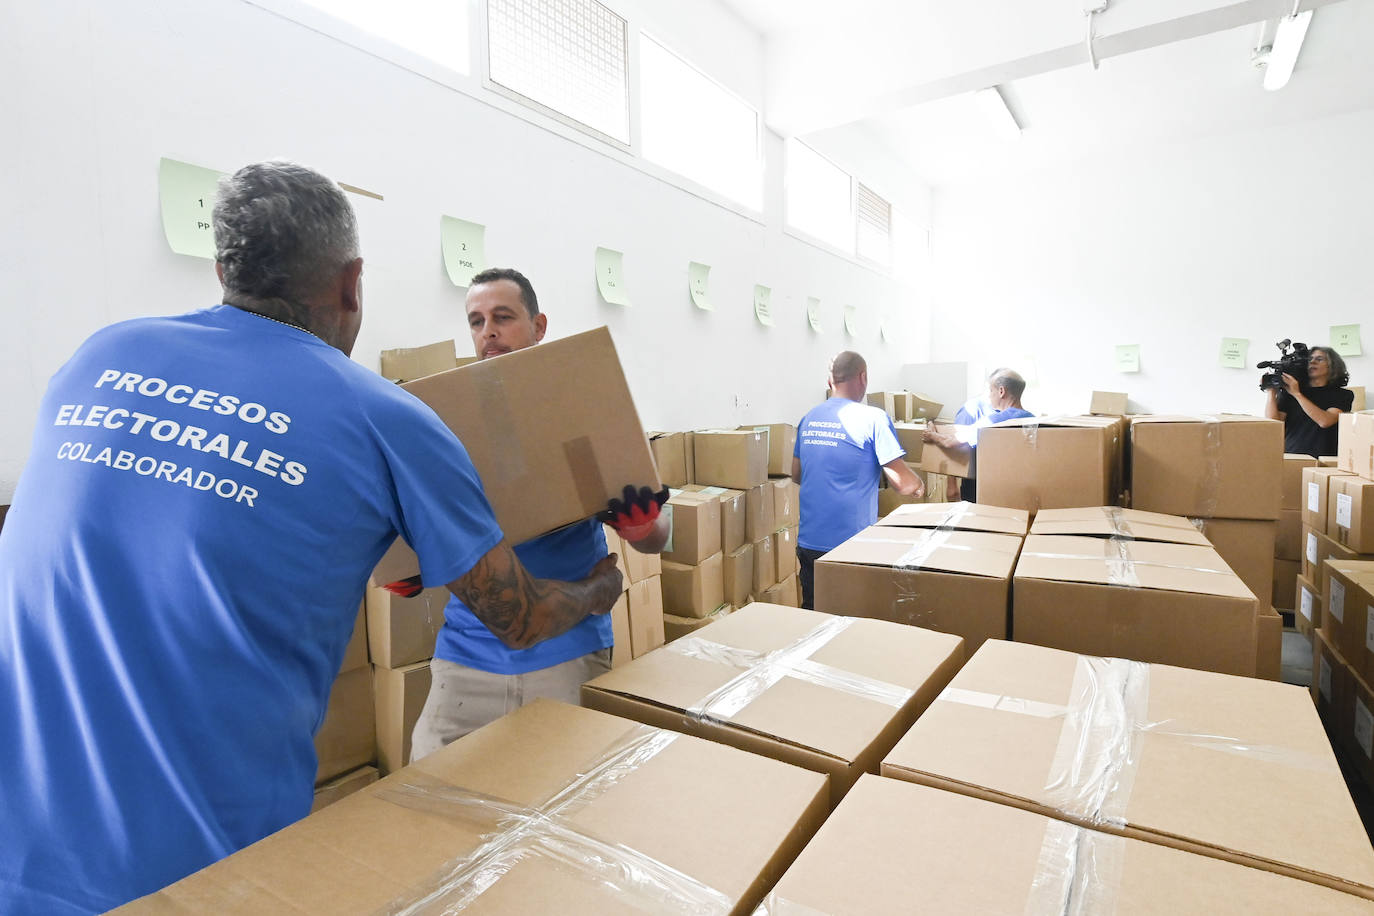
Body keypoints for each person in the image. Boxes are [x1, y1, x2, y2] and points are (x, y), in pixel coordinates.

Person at [0, 163, 625, 915]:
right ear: (352, 283)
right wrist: (598, 588)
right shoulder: (387, 418)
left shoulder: (99, 356)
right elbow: (516, 617)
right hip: (198, 872)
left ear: (224, 270)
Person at [409, 268, 669, 760]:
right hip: (465, 655)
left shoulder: (580, 408)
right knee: (427, 794)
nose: (488, 331)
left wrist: (643, 524)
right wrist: (407, 563)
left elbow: (659, 536)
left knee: (570, 797)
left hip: (567, 651)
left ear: (538, 325)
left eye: (503, 317)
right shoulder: (446, 422)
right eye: (477, 321)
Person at [791, 351, 924, 610]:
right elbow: (903, 483)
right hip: (850, 546)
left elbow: (796, 474)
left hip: (809, 542)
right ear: (863, 377)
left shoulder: (808, 418)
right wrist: (919, 484)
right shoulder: (873, 418)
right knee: (850, 622)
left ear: (830, 381)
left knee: (813, 618)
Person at [923, 368, 1033, 502]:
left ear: (1001, 391)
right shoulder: (1033, 420)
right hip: (1021, 490)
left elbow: (950, 442)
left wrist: (931, 435)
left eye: (991, 391)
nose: (989, 396)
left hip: (991, 489)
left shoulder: (993, 421)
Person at [1264, 346, 1353, 456]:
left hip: (1324, 458)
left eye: (1319, 359)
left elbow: (1325, 421)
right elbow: (1274, 424)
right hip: (1291, 455)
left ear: (1332, 366)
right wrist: (1271, 392)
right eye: (1310, 359)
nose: (1312, 362)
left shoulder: (1342, 395)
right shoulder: (1290, 392)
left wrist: (1297, 394)